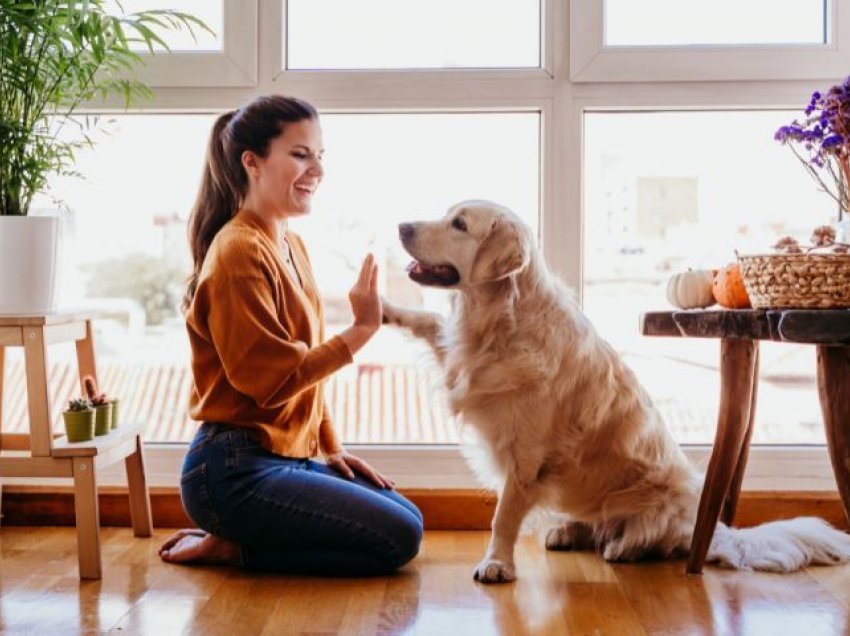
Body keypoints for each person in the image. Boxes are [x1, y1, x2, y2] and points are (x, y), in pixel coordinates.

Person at [158, 95, 423, 575]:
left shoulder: (290, 243)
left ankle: (239, 540)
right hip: (231, 469)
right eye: (301, 154)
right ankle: (233, 547)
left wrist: (330, 446)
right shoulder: (238, 252)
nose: (317, 169)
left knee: (408, 517)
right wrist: (362, 329)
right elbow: (272, 382)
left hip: (284, 455)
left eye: (320, 156)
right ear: (252, 163)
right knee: (398, 539)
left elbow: (305, 378)